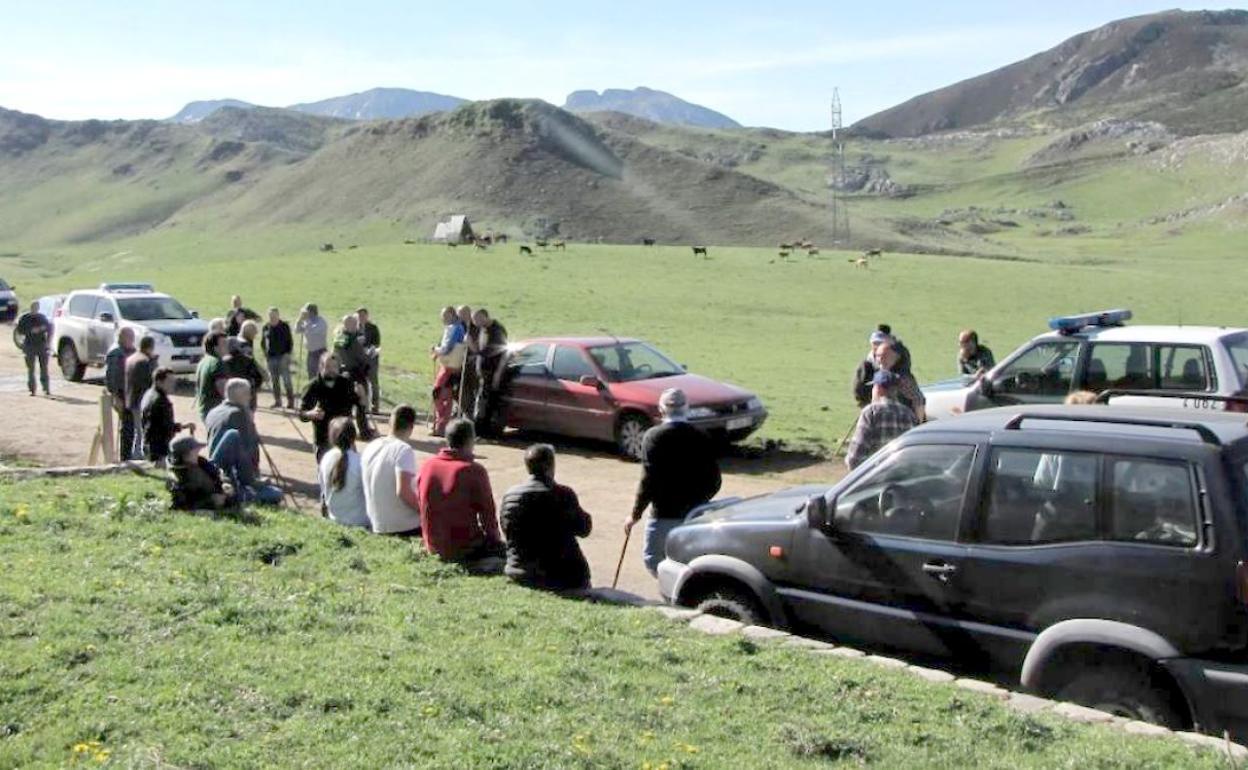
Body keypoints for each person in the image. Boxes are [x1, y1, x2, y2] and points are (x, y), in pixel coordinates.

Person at [625, 389, 722, 575]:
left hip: (663, 514)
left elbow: (648, 481)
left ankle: (669, 599)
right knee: (691, 563)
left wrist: (635, 515)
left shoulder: (653, 437)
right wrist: (699, 501)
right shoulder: (701, 436)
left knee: (655, 560)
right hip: (695, 515)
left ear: (661, 410)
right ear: (687, 409)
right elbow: (715, 480)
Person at [500, 444, 593, 591]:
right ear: (551, 466)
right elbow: (584, 529)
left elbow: (506, 530)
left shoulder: (510, 496)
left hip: (519, 572)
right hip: (562, 577)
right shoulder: (562, 495)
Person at [417, 418, 505, 569]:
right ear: (470, 441)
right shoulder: (473, 470)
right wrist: (495, 541)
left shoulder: (428, 466)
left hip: (433, 544)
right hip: (463, 548)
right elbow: (487, 515)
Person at [204, 378, 283, 505]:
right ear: (242, 395)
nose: (251, 397)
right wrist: (254, 481)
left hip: (215, 470)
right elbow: (245, 453)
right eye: (249, 394)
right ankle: (244, 496)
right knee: (275, 493)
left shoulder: (213, 411)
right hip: (231, 477)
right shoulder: (238, 414)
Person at [361, 404, 423, 536]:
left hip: (377, 523)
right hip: (402, 526)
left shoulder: (371, 446)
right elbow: (403, 491)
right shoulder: (404, 450)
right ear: (411, 427)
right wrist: (425, 511)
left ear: (390, 423)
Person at [845, 370, 919, 470]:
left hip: (876, 477)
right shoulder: (909, 414)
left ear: (879, 388)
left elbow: (854, 458)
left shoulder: (870, 413)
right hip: (901, 475)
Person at [300, 353, 364, 459]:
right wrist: (311, 414)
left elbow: (360, 406)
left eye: (334, 367)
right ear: (321, 367)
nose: (331, 370)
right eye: (328, 366)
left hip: (346, 440)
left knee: (350, 471)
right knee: (327, 472)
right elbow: (301, 414)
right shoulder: (313, 387)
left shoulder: (346, 384)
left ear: (339, 368)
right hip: (323, 440)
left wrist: (362, 397)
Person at [318, 417, 369, 527]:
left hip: (334, 519)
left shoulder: (326, 458)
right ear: (354, 437)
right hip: (360, 521)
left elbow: (323, 490)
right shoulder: (361, 461)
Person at [166, 434, 235, 512]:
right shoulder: (182, 479)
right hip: (223, 494)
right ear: (187, 453)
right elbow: (184, 505)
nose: (198, 450)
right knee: (233, 436)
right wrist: (212, 500)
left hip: (220, 485)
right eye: (195, 449)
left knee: (232, 435)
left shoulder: (197, 462)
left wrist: (223, 482)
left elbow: (215, 474)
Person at [333, 313, 374, 436]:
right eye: (353, 323)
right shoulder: (354, 340)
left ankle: (345, 431)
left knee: (346, 405)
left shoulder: (339, 338)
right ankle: (364, 431)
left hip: (343, 373)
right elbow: (361, 357)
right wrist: (370, 354)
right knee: (360, 403)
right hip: (356, 374)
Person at [429, 306, 467, 436]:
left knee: (440, 394)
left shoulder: (455, 328)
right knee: (444, 395)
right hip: (447, 366)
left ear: (452, 315)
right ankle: (441, 425)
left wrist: (436, 350)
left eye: (445, 315)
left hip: (449, 367)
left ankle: (441, 425)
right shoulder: (453, 328)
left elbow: (447, 348)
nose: (443, 318)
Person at [472, 308, 509, 429]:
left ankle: (482, 429)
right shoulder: (483, 329)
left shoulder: (497, 330)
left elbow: (492, 351)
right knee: (482, 399)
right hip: (483, 371)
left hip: (491, 371)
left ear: (485, 316)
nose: (475, 323)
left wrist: (475, 350)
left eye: (477, 319)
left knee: (485, 402)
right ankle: (480, 427)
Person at [105, 327, 137, 460]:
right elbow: (112, 377)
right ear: (122, 337)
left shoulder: (131, 351)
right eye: (130, 337)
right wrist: (116, 397)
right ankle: (125, 457)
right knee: (127, 427)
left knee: (134, 427)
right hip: (122, 396)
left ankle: (132, 454)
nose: (132, 340)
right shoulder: (116, 353)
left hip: (132, 395)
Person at [141, 367, 184, 464]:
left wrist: (180, 426)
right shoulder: (160, 401)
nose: (173, 384)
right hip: (159, 450)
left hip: (149, 445)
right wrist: (177, 427)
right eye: (170, 381)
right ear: (159, 382)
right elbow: (166, 427)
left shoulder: (149, 394)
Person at [124, 335, 158, 459]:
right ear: (150, 347)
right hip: (142, 400)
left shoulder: (131, 358)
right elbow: (151, 381)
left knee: (137, 430)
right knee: (142, 431)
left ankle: (136, 454)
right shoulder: (145, 361)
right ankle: (138, 456)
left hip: (131, 399)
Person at [877, 341, 926, 421]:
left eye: (885, 356)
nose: (880, 359)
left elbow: (918, 401)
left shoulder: (903, 380)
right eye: (878, 356)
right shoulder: (880, 377)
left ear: (897, 357)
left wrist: (917, 424)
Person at [226, 320, 266, 410]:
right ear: (248, 332)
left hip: (229, 381)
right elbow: (250, 362)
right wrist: (262, 374)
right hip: (244, 383)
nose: (254, 336)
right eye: (254, 333)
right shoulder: (246, 346)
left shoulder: (229, 340)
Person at [14, 300, 51, 397]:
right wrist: (30, 331)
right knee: (31, 369)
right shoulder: (25, 318)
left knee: (44, 368)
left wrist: (47, 341)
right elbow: (19, 330)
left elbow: (49, 328)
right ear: (31, 307)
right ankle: (32, 389)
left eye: (37, 307)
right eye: (34, 307)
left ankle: (46, 388)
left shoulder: (42, 317)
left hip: (41, 345)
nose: (35, 309)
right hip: (29, 345)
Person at [261, 307, 295, 410]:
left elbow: (290, 341)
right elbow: (263, 342)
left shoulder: (284, 326)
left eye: (274, 315)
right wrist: (265, 354)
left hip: (283, 357)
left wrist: (288, 354)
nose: (272, 317)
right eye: (270, 316)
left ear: (278, 315)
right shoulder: (266, 327)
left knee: (286, 380)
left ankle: (291, 402)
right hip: (271, 358)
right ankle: (278, 401)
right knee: (274, 381)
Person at [195, 332, 230, 421]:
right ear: (215, 347)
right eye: (224, 344)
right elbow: (224, 390)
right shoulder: (217, 363)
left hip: (205, 409)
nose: (227, 346)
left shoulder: (204, 361)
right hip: (216, 411)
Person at [456, 305, 480, 417]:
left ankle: (470, 414)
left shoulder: (476, 328)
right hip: (460, 362)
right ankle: (463, 410)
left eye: (463, 314)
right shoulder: (458, 326)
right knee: (459, 389)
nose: (461, 317)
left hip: (473, 364)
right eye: (459, 314)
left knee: (472, 389)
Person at [295, 303, 329, 382]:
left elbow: (312, 332)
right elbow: (297, 330)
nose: (304, 314)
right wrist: (300, 320)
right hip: (310, 353)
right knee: (311, 375)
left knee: (321, 374)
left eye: (306, 312)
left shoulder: (321, 321)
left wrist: (306, 324)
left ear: (312, 312)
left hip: (320, 352)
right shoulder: (306, 321)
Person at [358, 307, 382, 413]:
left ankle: (375, 406)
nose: (361, 318)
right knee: (363, 382)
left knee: (374, 383)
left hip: (371, 358)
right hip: (360, 359)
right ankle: (365, 405)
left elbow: (377, 343)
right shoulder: (355, 328)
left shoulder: (373, 328)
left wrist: (370, 349)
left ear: (367, 316)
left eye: (363, 315)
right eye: (359, 316)